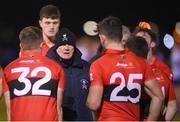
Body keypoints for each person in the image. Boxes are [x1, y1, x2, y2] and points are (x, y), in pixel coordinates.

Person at [86, 16, 163, 121]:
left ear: (102, 38)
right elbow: (158, 96)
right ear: (121, 35)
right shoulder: (141, 62)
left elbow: (93, 104)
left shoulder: (98, 64)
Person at [2, 26, 64, 121]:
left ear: (21, 45)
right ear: (42, 44)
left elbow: (9, 109)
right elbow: (58, 108)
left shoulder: (9, 69)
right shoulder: (56, 68)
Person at [46, 28, 93, 121]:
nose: (66, 48)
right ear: (56, 47)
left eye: (69, 44)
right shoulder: (47, 68)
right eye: (62, 44)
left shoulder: (86, 67)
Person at [133, 26, 177, 121]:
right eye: (137, 38)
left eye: (144, 37)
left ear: (152, 44)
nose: (140, 40)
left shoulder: (163, 69)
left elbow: (172, 106)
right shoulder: (128, 66)